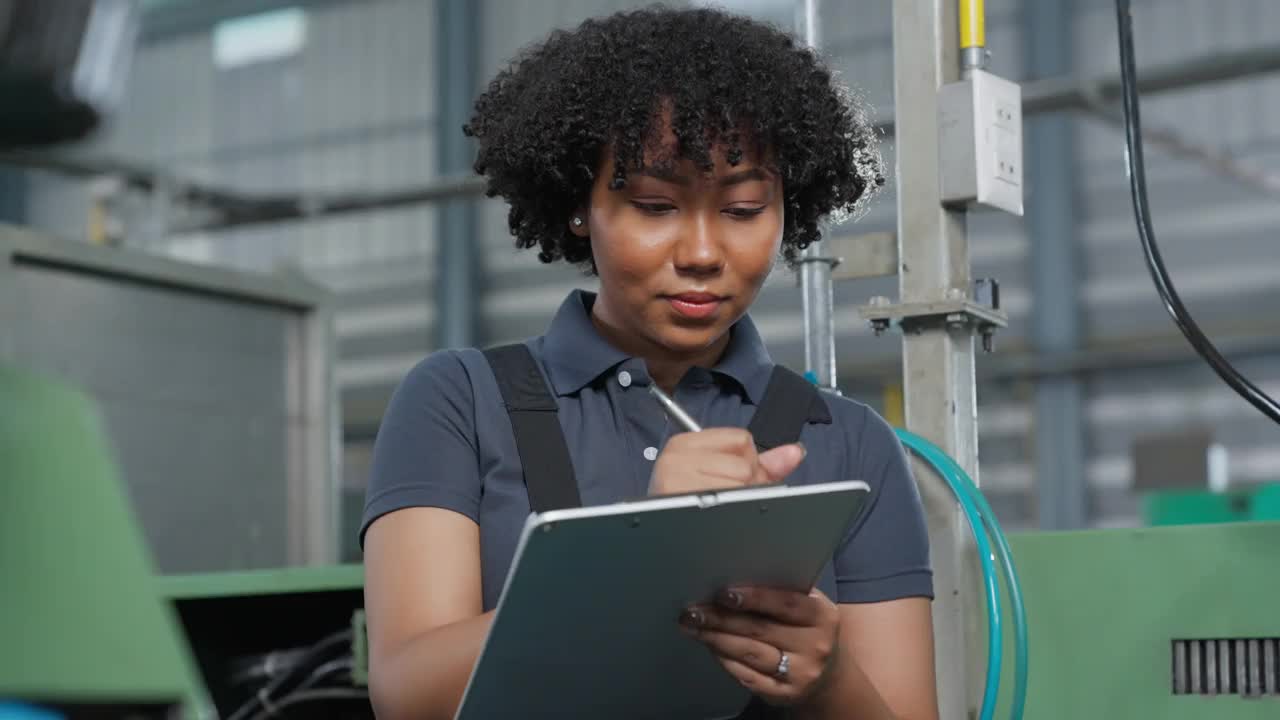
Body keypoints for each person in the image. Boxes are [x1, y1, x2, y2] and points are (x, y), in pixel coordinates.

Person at [360, 6, 938, 719]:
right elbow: (407, 695)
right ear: (579, 205)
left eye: (744, 208)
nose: (700, 253)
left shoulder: (847, 443)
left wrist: (829, 680)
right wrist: (642, 551)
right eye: (657, 206)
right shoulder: (462, 402)